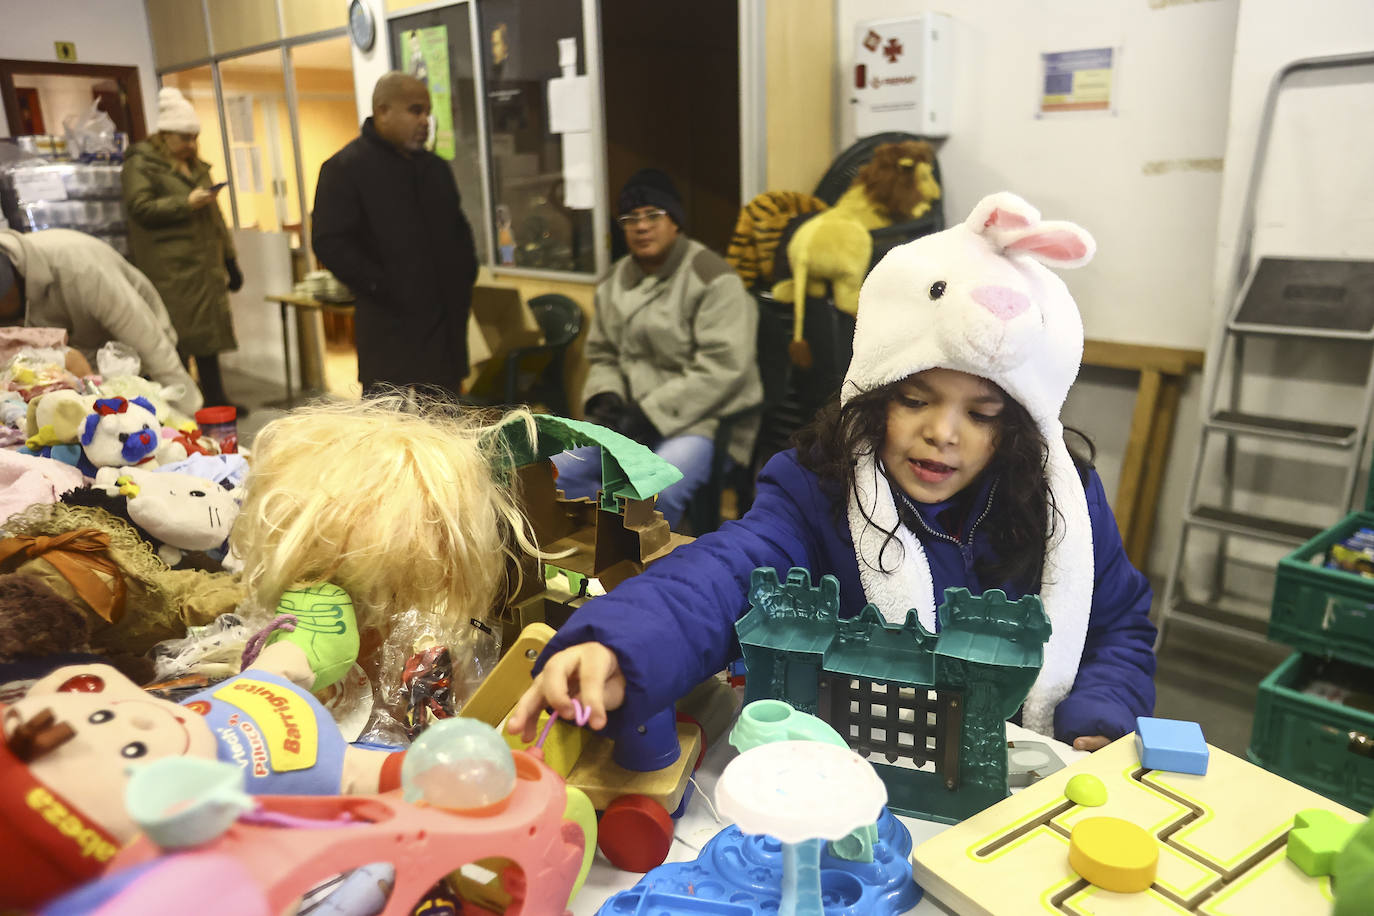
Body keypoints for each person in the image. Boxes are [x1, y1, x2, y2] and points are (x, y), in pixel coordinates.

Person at [510, 192, 1157, 751]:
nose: (943, 433)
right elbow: (727, 571)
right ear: (873, 395)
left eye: (983, 413)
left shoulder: (1061, 504)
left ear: (1018, 426)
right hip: (862, 764)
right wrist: (623, 643)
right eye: (914, 399)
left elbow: (1119, 623)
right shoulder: (817, 487)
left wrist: (1099, 713)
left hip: (1022, 767)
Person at [552, 169, 763, 528]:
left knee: (653, 492)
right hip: (632, 419)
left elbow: (723, 367)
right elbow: (603, 354)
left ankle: (652, 575)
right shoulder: (614, 281)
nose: (641, 226)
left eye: (653, 215)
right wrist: (607, 397)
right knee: (560, 472)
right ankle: (584, 562)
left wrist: (651, 412)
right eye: (631, 218)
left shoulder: (713, 277)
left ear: (675, 222)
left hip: (706, 420)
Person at [312, 72, 478, 398]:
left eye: (427, 112)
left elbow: (458, 233)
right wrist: (381, 284)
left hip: (443, 332)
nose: (425, 121)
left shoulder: (435, 170)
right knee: (387, 434)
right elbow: (330, 242)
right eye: (415, 111)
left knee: (444, 435)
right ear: (383, 111)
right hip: (388, 328)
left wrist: (463, 277)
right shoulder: (346, 168)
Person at [121, 87, 242, 409]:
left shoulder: (198, 167)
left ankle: (216, 399)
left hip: (204, 264)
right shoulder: (142, 163)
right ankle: (185, 404)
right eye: (183, 137)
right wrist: (185, 203)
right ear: (165, 134)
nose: (190, 144)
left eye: (194, 137)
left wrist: (230, 260)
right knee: (178, 339)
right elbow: (140, 207)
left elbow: (216, 217)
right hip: (170, 268)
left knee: (208, 338)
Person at [0, 227, 202, 415]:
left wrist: (193, 418)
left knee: (158, 422)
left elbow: (150, 343)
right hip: (89, 368)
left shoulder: (81, 268)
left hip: (140, 356)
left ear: (14, 280)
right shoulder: (13, 285)